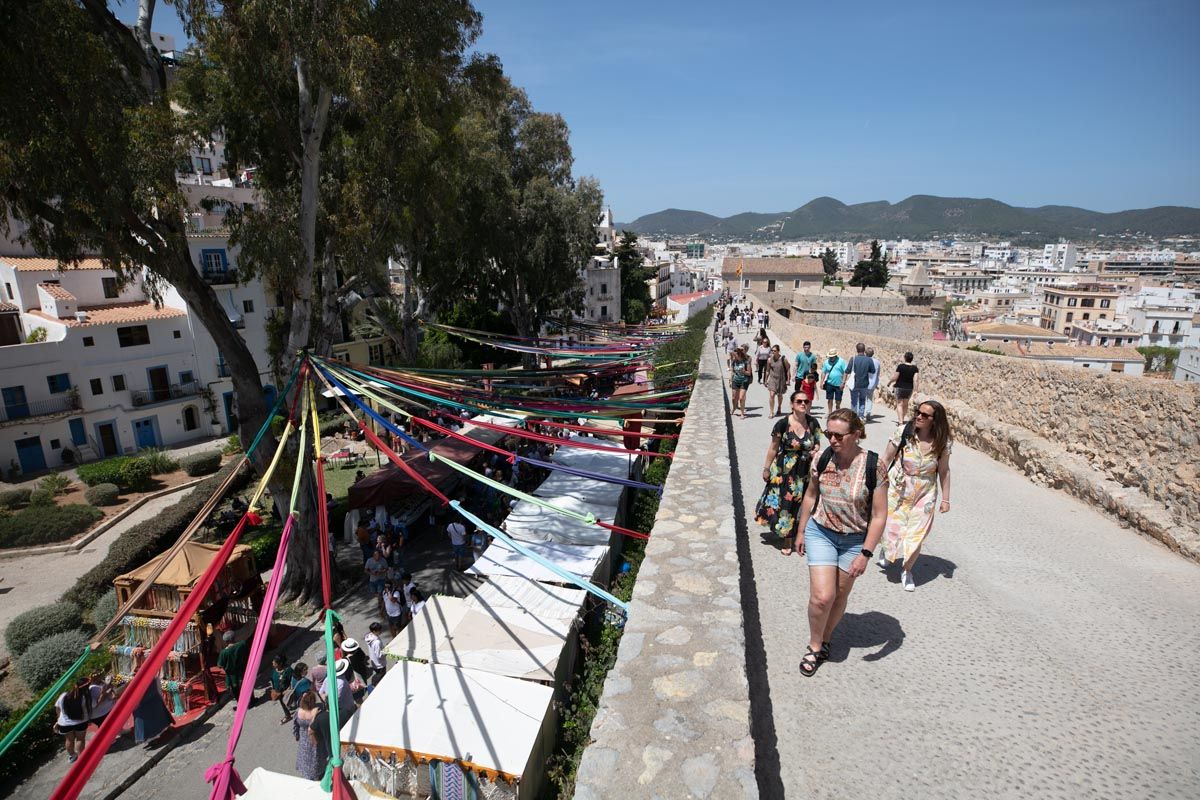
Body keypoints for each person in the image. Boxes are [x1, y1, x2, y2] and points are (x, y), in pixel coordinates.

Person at [793, 409, 888, 677]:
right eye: (828, 434)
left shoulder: (873, 465)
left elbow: (880, 515)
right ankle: (814, 645)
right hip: (821, 532)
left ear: (856, 434)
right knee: (823, 597)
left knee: (838, 597)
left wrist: (866, 554)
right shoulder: (822, 458)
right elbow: (810, 497)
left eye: (838, 435)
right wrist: (800, 531)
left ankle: (825, 639)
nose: (832, 440)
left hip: (855, 539)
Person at [880, 400, 953, 591]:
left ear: (935, 420)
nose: (918, 416)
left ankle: (907, 570)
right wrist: (876, 484)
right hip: (898, 487)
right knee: (891, 526)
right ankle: (887, 550)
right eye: (917, 412)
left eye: (924, 415)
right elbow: (886, 458)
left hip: (925, 491)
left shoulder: (943, 442)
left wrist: (946, 499)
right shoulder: (904, 432)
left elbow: (944, 471)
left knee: (917, 532)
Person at [755, 391, 823, 556]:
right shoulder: (782, 424)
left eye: (806, 401)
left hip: (805, 471)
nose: (803, 404)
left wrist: (814, 451)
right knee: (787, 503)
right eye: (799, 401)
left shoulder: (813, 423)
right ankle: (787, 539)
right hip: (784, 470)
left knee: (804, 504)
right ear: (792, 404)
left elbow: (817, 443)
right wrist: (766, 468)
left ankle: (801, 535)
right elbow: (773, 448)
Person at [55, 678, 92, 763]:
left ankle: (72, 756)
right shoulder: (84, 697)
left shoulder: (63, 695)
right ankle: (82, 757)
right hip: (80, 722)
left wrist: (58, 719)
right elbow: (86, 710)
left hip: (64, 724)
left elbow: (57, 708)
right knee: (80, 739)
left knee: (69, 740)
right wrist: (88, 720)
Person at [292, 691, 327, 781]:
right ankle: (318, 775)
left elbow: (295, 725)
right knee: (316, 758)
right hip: (315, 738)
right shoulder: (317, 711)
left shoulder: (298, 712)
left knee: (305, 757)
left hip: (304, 739)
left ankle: (308, 775)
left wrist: (297, 735)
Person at [888, 352, 921, 424]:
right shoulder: (915, 368)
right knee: (905, 404)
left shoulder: (900, 366)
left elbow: (895, 377)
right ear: (912, 359)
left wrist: (890, 382)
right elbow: (915, 380)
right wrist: (915, 390)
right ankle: (902, 418)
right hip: (909, 388)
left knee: (899, 404)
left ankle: (900, 422)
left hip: (899, 387)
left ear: (905, 358)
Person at [847, 342, 876, 420]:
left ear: (857, 350)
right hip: (864, 384)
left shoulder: (853, 359)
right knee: (862, 400)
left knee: (854, 400)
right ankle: (861, 416)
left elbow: (847, 371)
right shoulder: (869, 360)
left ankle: (853, 416)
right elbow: (873, 371)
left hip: (854, 384)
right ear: (864, 350)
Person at [216, 630, 249, 700]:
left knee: (236, 691)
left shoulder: (224, 653)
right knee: (247, 686)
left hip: (232, 676)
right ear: (234, 638)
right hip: (243, 670)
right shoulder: (242, 644)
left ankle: (241, 705)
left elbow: (220, 665)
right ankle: (251, 701)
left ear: (225, 641)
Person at [763, 345, 791, 417]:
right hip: (772, 379)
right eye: (772, 350)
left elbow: (788, 369)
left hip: (781, 379)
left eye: (774, 351)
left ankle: (779, 407)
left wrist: (788, 380)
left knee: (779, 395)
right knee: (772, 395)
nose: (773, 352)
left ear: (778, 351)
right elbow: (767, 371)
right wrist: (765, 380)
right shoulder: (769, 360)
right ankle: (771, 412)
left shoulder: (783, 359)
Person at [267, 653, 295, 723]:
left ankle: (290, 714)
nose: (272, 662)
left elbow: (293, 680)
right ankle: (288, 714)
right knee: (283, 703)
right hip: (278, 692)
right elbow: (272, 679)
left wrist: (288, 689)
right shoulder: (275, 670)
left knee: (290, 700)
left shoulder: (288, 670)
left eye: (274, 662)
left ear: (280, 663)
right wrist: (273, 689)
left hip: (286, 691)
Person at [819, 349, 847, 414]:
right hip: (829, 383)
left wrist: (843, 382)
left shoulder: (841, 361)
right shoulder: (826, 362)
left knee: (838, 401)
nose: (831, 358)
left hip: (839, 384)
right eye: (830, 356)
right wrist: (821, 382)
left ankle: (837, 411)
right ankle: (830, 412)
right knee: (829, 399)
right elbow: (823, 372)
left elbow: (845, 372)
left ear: (835, 355)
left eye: (832, 356)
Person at [729, 345, 752, 419]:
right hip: (735, 381)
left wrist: (744, 371)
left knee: (741, 398)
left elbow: (749, 373)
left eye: (736, 355)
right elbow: (732, 372)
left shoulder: (746, 361)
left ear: (740, 355)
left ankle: (742, 413)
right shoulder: (734, 362)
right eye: (735, 355)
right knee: (733, 397)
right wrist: (730, 379)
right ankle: (734, 407)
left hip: (744, 381)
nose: (735, 356)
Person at [864, 347, 882, 421]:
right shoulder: (877, 362)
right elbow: (878, 374)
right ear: (873, 354)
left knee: (861, 398)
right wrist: (877, 383)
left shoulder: (864, 361)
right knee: (869, 399)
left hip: (863, 383)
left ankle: (860, 413)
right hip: (872, 384)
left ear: (865, 353)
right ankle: (868, 413)